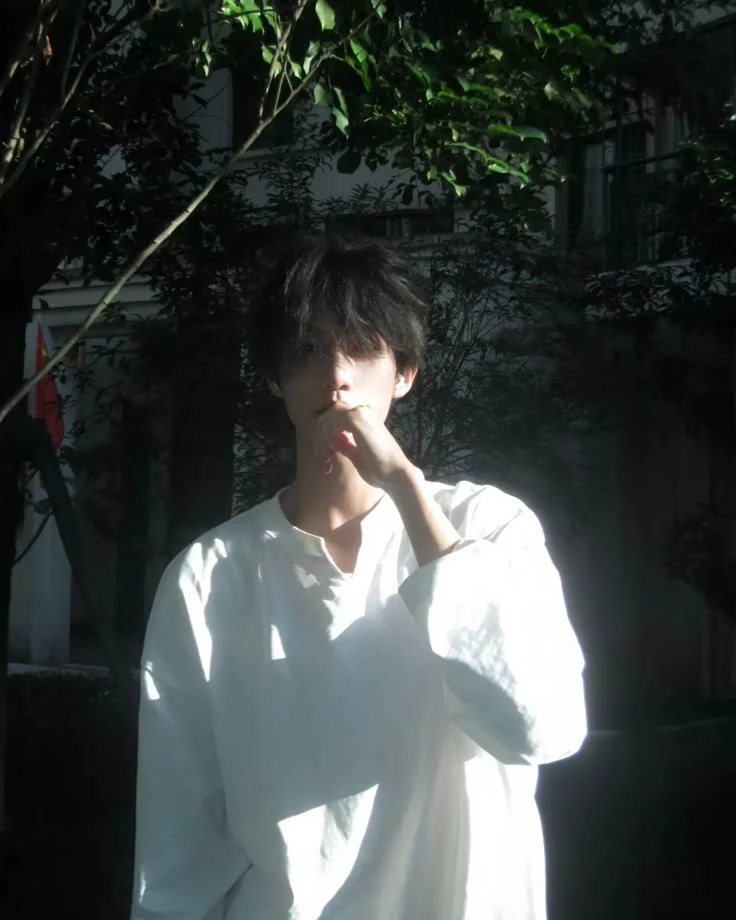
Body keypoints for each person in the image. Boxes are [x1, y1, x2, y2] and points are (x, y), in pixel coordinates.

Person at [131, 235, 587, 920]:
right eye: (308, 350)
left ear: (405, 373)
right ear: (276, 378)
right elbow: (177, 837)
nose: (337, 376)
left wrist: (404, 486)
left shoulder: (491, 527)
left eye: (364, 347)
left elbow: (540, 729)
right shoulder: (210, 576)